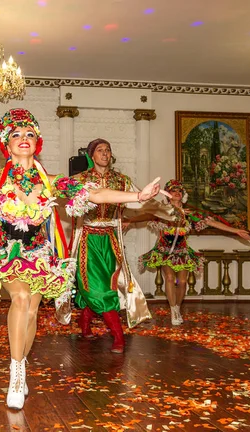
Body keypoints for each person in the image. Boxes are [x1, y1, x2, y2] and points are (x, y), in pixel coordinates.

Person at [0, 108, 167, 410]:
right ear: (6, 144)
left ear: (36, 141)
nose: (23, 139)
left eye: (28, 134)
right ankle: (16, 372)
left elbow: (96, 195)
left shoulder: (51, 180)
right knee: (21, 299)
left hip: (40, 256)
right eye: (15, 135)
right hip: (7, 253)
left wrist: (137, 197)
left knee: (31, 312)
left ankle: (21, 362)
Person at [70, 138, 174, 353]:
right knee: (95, 287)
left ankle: (85, 322)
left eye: (108, 150)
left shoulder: (121, 180)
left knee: (109, 284)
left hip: (111, 239)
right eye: (100, 150)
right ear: (92, 155)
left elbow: (140, 201)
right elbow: (72, 210)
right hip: (88, 239)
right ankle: (118, 336)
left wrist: (167, 208)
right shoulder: (79, 180)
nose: (105, 153)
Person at [138, 180, 250, 325]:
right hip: (164, 251)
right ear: (167, 194)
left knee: (183, 281)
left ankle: (177, 307)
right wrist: (128, 220)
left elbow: (212, 222)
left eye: (180, 191)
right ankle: (173, 311)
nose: (177, 193)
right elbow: (145, 215)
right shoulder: (162, 211)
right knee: (170, 278)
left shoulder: (190, 213)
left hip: (182, 252)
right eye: (173, 191)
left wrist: (236, 231)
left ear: (183, 195)